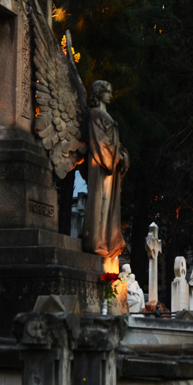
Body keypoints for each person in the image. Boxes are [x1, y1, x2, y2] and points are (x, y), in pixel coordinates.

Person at [82, 80, 129, 258]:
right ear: (99, 93)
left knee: (109, 204)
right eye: (107, 91)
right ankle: (96, 242)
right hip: (101, 164)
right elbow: (98, 140)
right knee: (100, 202)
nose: (110, 94)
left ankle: (107, 243)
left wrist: (122, 154)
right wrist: (116, 155)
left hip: (112, 164)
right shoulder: (94, 114)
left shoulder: (105, 114)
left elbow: (114, 143)